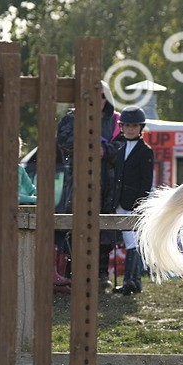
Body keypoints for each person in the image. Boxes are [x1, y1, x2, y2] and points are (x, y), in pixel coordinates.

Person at [55, 81, 122, 287]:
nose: (98, 101)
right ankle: (76, 273)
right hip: (78, 181)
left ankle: (101, 274)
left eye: (102, 96)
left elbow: (122, 145)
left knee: (104, 228)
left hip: (108, 183)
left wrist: (105, 150)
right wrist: (88, 144)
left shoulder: (116, 119)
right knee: (77, 226)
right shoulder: (71, 118)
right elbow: (64, 142)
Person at [109, 106, 154, 295]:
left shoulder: (145, 151)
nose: (130, 129)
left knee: (131, 242)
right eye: (127, 125)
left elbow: (146, 181)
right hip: (116, 201)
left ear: (140, 127)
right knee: (127, 241)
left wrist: (141, 205)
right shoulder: (116, 146)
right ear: (122, 126)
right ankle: (132, 280)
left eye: (134, 126)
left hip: (133, 202)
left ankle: (132, 280)